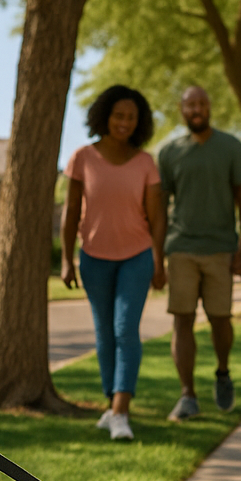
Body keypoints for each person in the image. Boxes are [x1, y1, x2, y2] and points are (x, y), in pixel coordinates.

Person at [61, 85, 165, 442]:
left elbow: (156, 218)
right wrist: (65, 259)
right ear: (105, 116)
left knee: (125, 330)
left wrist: (159, 260)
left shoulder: (145, 162)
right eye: (119, 115)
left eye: (131, 117)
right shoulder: (82, 158)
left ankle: (121, 411)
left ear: (139, 122)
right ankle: (111, 405)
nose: (124, 122)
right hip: (93, 257)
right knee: (104, 334)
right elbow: (70, 211)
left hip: (136, 256)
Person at [156, 85, 241, 421]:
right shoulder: (170, 152)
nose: (196, 109)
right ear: (182, 109)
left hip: (220, 249)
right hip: (181, 248)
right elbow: (158, 209)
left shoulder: (230, 147)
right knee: (182, 319)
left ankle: (222, 372)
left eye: (201, 103)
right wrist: (157, 256)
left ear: (209, 107)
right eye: (190, 104)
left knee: (220, 319)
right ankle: (187, 395)